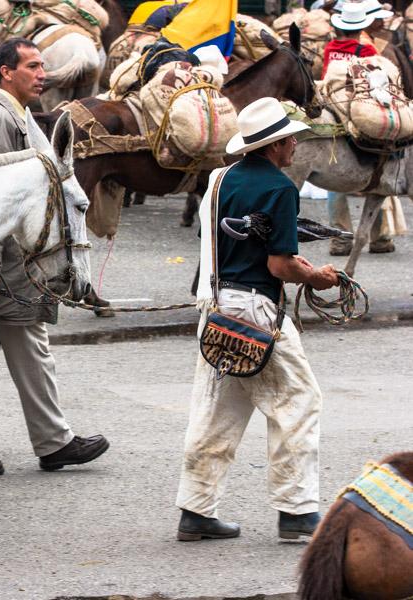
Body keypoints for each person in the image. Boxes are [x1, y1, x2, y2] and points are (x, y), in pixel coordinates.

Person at [0, 38, 109, 477]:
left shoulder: (14, 115)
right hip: (1, 268)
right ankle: (54, 443)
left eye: (42, 66)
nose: (41, 73)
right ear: (6, 72)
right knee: (30, 349)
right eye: (32, 66)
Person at [175, 97, 340, 542]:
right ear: (277, 143)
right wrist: (317, 277)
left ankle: (196, 509)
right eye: (291, 139)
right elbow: (280, 266)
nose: (295, 146)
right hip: (257, 310)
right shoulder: (280, 189)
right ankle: (297, 512)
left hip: (216, 308)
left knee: (217, 410)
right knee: (299, 402)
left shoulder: (220, 179)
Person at [322, 3, 394, 255]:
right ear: (361, 27)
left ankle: (340, 237)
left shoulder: (330, 48)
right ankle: (380, 236)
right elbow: (378, 82)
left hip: (332, 110)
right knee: (381, 172)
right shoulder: (367, 49)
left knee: (332, 177)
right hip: (359, 111)